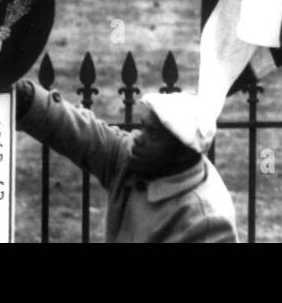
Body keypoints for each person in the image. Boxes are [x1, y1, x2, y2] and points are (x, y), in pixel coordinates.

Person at [14, 79, 237, 242]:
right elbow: (84, 135)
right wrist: (25, 98)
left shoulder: (206, 222)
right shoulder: (137, 161)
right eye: (144, 128)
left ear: (182, 154)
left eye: (153, 135)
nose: (139, 139)